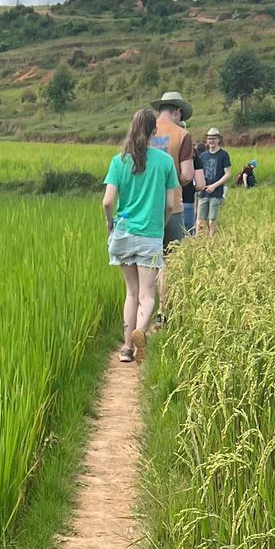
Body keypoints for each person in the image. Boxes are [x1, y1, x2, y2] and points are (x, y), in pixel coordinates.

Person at [103, 108, 180, 364]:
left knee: (131, 293)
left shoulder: (119, 161)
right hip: (150, 235)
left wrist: (109, 224)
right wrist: (162, 223)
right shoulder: (165, 162)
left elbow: (107, 201)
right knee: (148, 295)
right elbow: (170, 205)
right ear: (154, 132)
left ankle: (126, 348)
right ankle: (141, 330)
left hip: (123, 234)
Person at [153, 91, 197, 241]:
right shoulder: (182, 134)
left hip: (144, 207)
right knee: (172, 259)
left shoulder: (144, 131)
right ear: (177, 112)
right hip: (172, 205)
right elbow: (187, 175)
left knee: (146, 259)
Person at [194, 128, 231, 234]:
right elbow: (198, 172)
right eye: (209, 138)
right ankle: (198, 242)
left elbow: (228, 174)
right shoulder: (203, 155)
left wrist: (214, 185)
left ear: (218, 139)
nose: (211, 141)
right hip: (203, 192)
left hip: (216, 192)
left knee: (212, 221)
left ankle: (211, 241)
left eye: (214, 138)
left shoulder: (223, 155)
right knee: (200, 221)